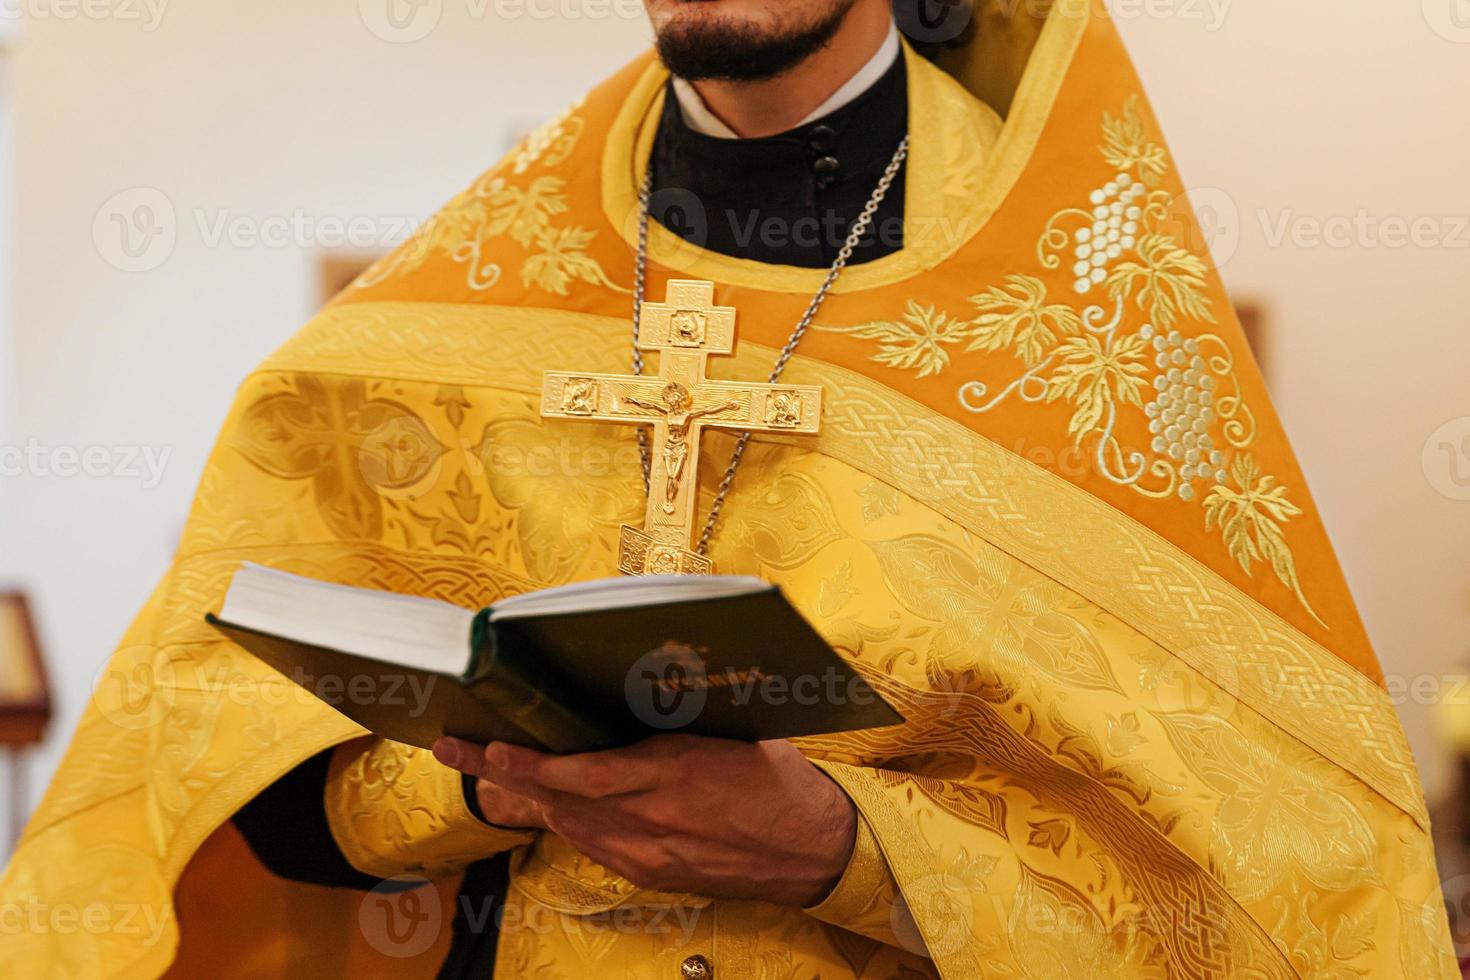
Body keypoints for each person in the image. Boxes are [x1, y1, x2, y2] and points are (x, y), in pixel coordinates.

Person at [2, 0, 1456, 976]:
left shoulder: (1076, 333)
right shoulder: (433, 324)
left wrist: (850, 853)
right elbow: (232, 790)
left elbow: (1254, 884)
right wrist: (488, 788)